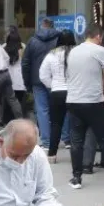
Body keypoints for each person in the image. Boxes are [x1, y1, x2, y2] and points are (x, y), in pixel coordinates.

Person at [64, 24, 104, 190]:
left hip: (74, 100)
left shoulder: (73, 51)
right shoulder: (100, 51)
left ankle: (76, 177)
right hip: (94, 101)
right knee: (103, 138)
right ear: (98, 36)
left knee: (76, 142)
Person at [22, 17, 62, 148]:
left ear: (42, 25)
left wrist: (27, 83)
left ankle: (46, 140)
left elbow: (25, 63)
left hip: (37, 80)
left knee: (42, 109)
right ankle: (65, 138)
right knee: (60, 109)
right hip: (57, 79)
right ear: (52, 25)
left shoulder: (32, 41)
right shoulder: (59, 39)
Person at [38, 30, 76, 163]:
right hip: (74, 92)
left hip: (57, 92)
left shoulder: (51, 55)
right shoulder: (77, 54)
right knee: (76, 125)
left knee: (56, 124)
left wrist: (52, 85)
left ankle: (52, 155)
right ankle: (77, 155)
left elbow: (43, 75)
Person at [3, 26, 26, 121]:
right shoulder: (23, 46)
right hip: (20, 78)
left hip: (8, 77)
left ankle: (7, 120)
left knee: (8, 101)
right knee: (19, 101)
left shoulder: (4, 47)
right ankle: (19, 120)